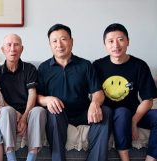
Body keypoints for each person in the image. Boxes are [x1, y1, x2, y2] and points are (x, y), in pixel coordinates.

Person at [36, 24, 112, 161]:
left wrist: (95, 103)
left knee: (105, 111)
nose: (59, 44)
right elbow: (37, 97)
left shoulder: (85, 65)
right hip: (59, 114)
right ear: (50, 44)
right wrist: (47, 100)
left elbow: (98, 91)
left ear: (71, 41)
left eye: (63, 39)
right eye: (54, 41)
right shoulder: (43, 68)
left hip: (84, 112)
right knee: (53, 112)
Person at [93, 23, 157, 161]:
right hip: (108, 115)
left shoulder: (139, 65)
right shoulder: (97, 66)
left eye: (120, 39)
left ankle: (151, 159)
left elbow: (148, 100)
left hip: (134, 112)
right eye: (110, 41)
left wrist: (134, 121)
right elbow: (91, 93)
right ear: (105, 44)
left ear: (128, 41)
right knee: (122, 112)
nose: (116, 45)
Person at [0, 34, 47, 161]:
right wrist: (16, 114)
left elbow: (32, 93)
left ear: (22, 49)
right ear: (2, 49)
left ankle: (31, 156)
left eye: (16, 45)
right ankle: (11, 156)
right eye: (9, 45)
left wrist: (24, 116)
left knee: (40, 111)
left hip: (28, 110)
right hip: (8, 110)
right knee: (6, 111)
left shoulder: (29, 68)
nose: (13, 49)